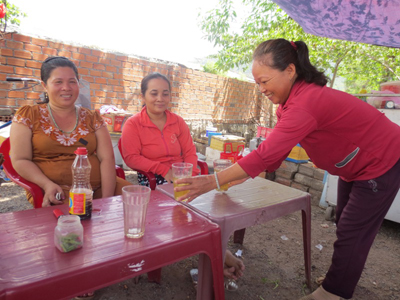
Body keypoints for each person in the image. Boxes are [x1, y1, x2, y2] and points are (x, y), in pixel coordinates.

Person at [175, 38, 400, 300]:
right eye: (257, 82)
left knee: (353, 230)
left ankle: (333, 292)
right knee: (344, 223)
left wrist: (212, 181)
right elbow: (272, 156)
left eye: (265, 81)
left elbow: (266, 154)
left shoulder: (307, 102)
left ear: (290, 71)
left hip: (382, 159)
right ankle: (341, 276)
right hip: (357, 163)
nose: (260, 89)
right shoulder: (290, 104)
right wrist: (241, 174)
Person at [120, 72, 245, 287]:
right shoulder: (134, 124)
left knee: (210, 206)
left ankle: (214, 253)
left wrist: (190, 173)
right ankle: (220, 254)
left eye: (165, 93)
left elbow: (189, 151)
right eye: (154, 93)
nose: (160, 98)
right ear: (143, 96)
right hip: (152, 179)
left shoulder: (177, 121)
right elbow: (131, 157)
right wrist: (162, 170)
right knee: (189, 209)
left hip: (182, 176)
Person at [10, 56, 132, 208]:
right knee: (76, 225)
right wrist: (47, 184)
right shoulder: (28, 115)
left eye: (72, 81)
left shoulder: (93, 118)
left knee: (138, 202)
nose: (66, 87)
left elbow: (107, 158)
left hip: (101, 187)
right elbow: (21, 159)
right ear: (44, 85)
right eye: (58, 82)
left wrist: (106, 199)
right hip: (55, 190)